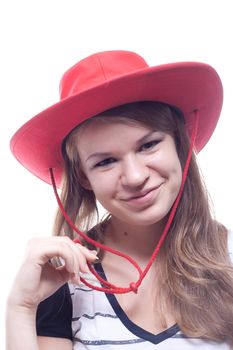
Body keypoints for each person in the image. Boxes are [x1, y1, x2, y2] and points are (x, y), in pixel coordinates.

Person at [6, 50, 233, 350]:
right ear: (83, 177)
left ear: (179, 142)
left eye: (149, 145)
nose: (136, 176)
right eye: (105, 162)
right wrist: (21, 307)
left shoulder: (227, 260)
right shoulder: (63, 280)